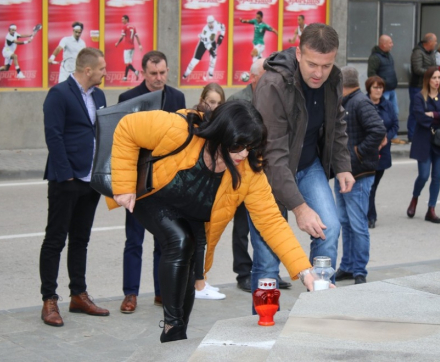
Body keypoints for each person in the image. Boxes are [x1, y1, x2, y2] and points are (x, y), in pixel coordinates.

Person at [109, 100, 322, 342]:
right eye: (238, 145)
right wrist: (124, 184)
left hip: (195, 216)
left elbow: (271, 221)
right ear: (221, 134)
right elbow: (127, 126)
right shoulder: (178, 129)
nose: (243, 153)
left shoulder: (249, 172)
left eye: (250, 146)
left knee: (191, 269)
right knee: (180, 241)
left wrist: (304, 271)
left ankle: (175, 337)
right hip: (155, 196)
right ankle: (173, 325)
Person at [251, 23, 354, 304]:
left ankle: (318, 309)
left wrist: (343, 164)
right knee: (268, 259)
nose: (319, 73)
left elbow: (337, 120)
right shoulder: (273, 85)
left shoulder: (333, 78)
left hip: (308, 166)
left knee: (329, 228)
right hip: (267, 175)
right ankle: (264, 327)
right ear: (298, 54)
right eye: (312, 64)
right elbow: (272, 156)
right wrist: (300, 207)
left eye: (327, 64)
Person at [40, 48, 108, 327]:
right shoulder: (59, 94)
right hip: (66, 179)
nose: (105, 72)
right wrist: (66, 174)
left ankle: (78, 295)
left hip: (90, 180)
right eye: (102, 68)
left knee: (81, 240)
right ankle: (49, 300)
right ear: (88, 70)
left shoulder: (100, 96)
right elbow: (53, 135)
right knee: (55, 239)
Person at [118, 51, 186, 314]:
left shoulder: (177, 97)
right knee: (133, 240)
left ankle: (161, 292)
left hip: (166, 180)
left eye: (162, 73)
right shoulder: (128, 98)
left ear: (167, 70)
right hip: (136, 181)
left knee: (164, 240)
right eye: (153, 74)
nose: (159, 78)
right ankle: (130, 294)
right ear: (143, 73)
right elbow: (120, 144)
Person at [334, 67, 386, 285]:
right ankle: (347, 266)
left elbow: (378, 130)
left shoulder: (359, 102)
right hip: (344, 172)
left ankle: (359, 270)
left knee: (357, 225)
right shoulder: (350, 101)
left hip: (358, 173)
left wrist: (357, 152)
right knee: (345, 222)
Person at [226, 58, 268, 292]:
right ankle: (243, 271)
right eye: (264, 75)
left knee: (267, 224)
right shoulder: (237, 101)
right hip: (241, 172)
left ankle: (267, 270)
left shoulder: (273, 97)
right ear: (253, 77)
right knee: (242, 227)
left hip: (264, 171)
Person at [193, 82, 226, 300]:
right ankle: (198, 284)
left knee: (204, 236)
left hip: (209, 185)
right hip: (194, 185)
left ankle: (201, 279)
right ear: (203, 100)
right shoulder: (196, 120)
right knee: (197, 237)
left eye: (218, 103)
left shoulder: (220, 122)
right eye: (211, 102)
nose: (214, 107)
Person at [406, 66, 440, 223]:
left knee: (437, 177)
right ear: (427, 80)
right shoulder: (419, 97)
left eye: (439, 78)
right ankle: (415, 197)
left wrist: (434, 114)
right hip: (423, 140)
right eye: (434, 78)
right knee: (424, 175)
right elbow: (419, 117)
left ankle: (431, 209)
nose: (437, 81)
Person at [365, 76, 399, 229]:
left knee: (374, 185)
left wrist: (386, 138)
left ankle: (369, 214)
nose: (378, 90)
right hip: (366, 151)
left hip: (383, 152)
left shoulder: (388, 105)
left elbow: (395, 125)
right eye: (375, 87)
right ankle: (370, 216)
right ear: (369, 89)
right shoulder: (363, 104)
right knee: (369, 185)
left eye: (380, 87)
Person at [408, 33, 437, 141]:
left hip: (429, 86)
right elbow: (417, 69)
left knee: (428, 110)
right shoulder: (417, 52)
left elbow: (433, 65)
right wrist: (432, 73)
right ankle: (412, 135)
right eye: (435, 41)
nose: (436, 44)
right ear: (429, 42)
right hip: (418, 86)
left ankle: (424, 133)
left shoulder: (432, 53)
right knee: (415, 111)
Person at [182, 15, 225, 81]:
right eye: (209, 23)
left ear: (214, 21)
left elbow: (223, 27)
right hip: (203, 43)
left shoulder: (217, 24)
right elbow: (206, 43)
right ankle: (187, 73)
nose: (211, 24)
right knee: (195, 59)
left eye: (212, 22)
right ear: (207, 23)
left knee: (213, 58)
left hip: (212, 41)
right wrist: (210, 49)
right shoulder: (205, 30)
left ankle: (210, 72)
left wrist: (221, 36)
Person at [367, 35, 399, 118]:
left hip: (392, 89)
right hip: (382, 91)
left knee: (395, 113)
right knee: (383, 114)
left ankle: (393, 131)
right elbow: (371, 74)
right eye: (390, 43)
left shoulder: (389, 55)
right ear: (384, 44)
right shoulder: (375, 57)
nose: (392, 45)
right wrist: (380, 85)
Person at [115, 15, 142, 81]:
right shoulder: (133, 26)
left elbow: (122, 37)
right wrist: (140, 45)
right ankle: (125, 77)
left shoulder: (125, 26)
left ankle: (135, 71)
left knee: (127, 63)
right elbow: (137, 36)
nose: (122, 21)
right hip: (132, 47)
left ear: (127, 20)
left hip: (127, 47)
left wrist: (117, 43)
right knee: (128, 63)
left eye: (123, 19)